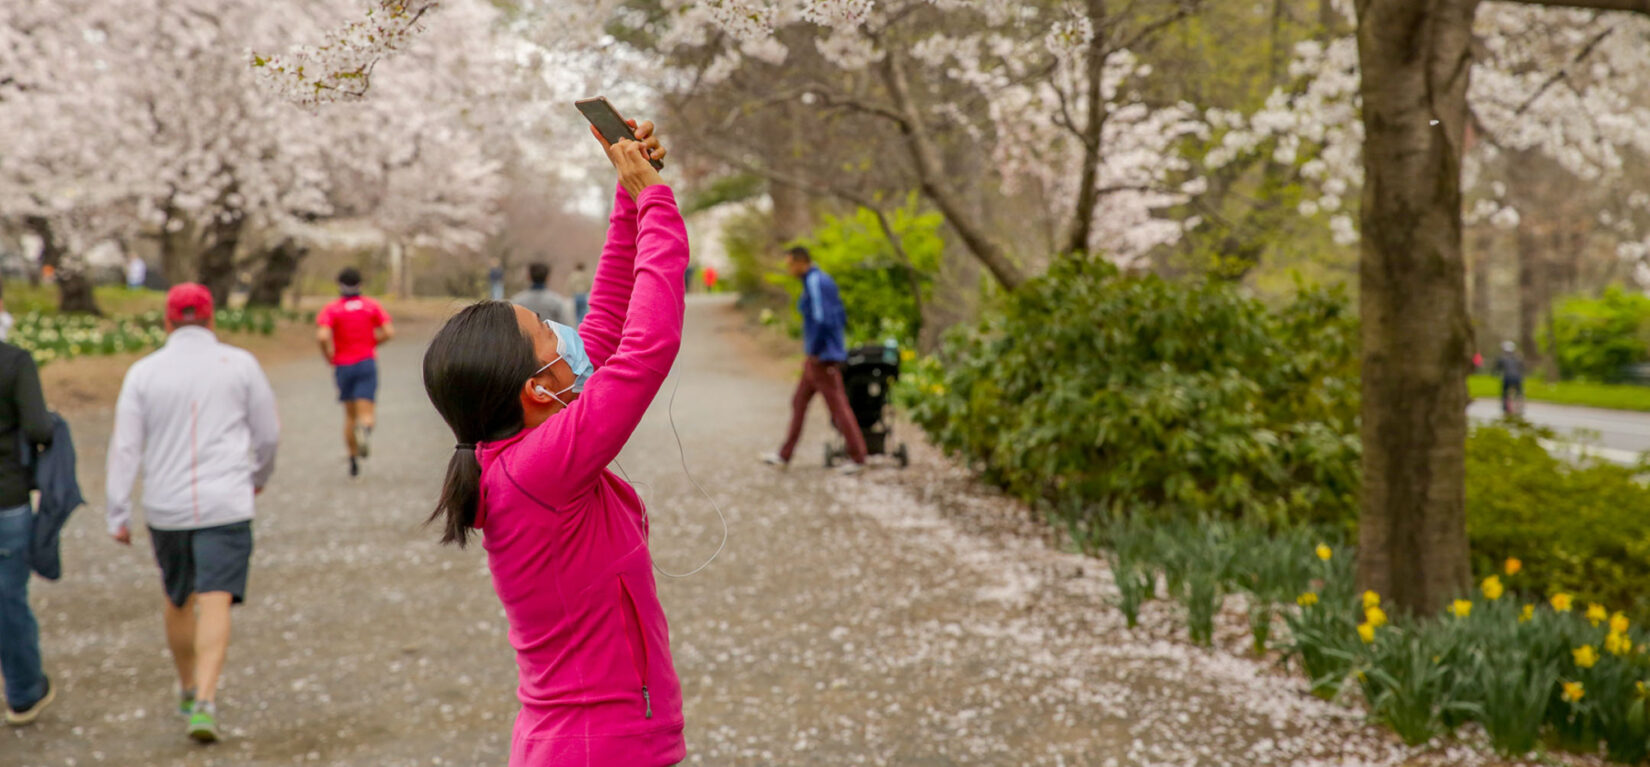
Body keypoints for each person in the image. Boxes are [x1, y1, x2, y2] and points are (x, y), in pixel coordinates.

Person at [420, 119, 685, 766]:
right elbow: (644, 348)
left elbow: (608, 324)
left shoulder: (517, 457)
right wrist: (658, 205)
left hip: (588, 743)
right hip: (600, 749)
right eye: (546, 329)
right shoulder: (541, 471)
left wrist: (627, 195)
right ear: (537, 389)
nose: (567, 334)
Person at [106, 284, 280, 744]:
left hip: (167, 506)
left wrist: (117, 510)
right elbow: (268, 434)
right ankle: (206, 698)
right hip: (226, 500)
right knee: (217, 596)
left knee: (178, 597)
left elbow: (126, 447)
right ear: (211, 319)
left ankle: (185, 686)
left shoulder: (143, 373)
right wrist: (257, 475)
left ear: (167, 321)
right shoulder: (240, 365)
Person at [761, 246, 868, 474]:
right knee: (799, 402)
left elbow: (823, 320)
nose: (789, 269)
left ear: (802, 262)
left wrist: (819, 352)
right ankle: (784, 455)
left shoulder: (816, 282)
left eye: (790, 264)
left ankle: (858, 457)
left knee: (839, 408)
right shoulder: (814, 281)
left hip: (823, 359)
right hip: (816, 359)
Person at [0, 322, 57, 726]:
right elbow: (38, 427)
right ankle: (23, 692)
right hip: (7, 497)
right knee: (8, 599)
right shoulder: (14, 362)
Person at [316, 268, 395, 478]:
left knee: (349, 415)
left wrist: (328, 356)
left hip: (343, 365)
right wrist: (374, 343)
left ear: (339, 284)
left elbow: (323, 336)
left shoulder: (332, 309)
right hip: (366, 362)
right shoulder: (371, 306)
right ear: (360, 284)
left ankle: (352, 459)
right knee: (366, 412)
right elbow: (389, 332)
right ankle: (365, 429)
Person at [1494, 341, 1525, 415]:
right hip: (1517, 377)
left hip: (1507, 377)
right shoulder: (1517, 358)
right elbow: (1522, 367)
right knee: (1519, 392)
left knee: (1505, 392)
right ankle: (1519, 405)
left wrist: (1494, 373)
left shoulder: (1502, 358)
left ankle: (1505, 407)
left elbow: (1498, 368)